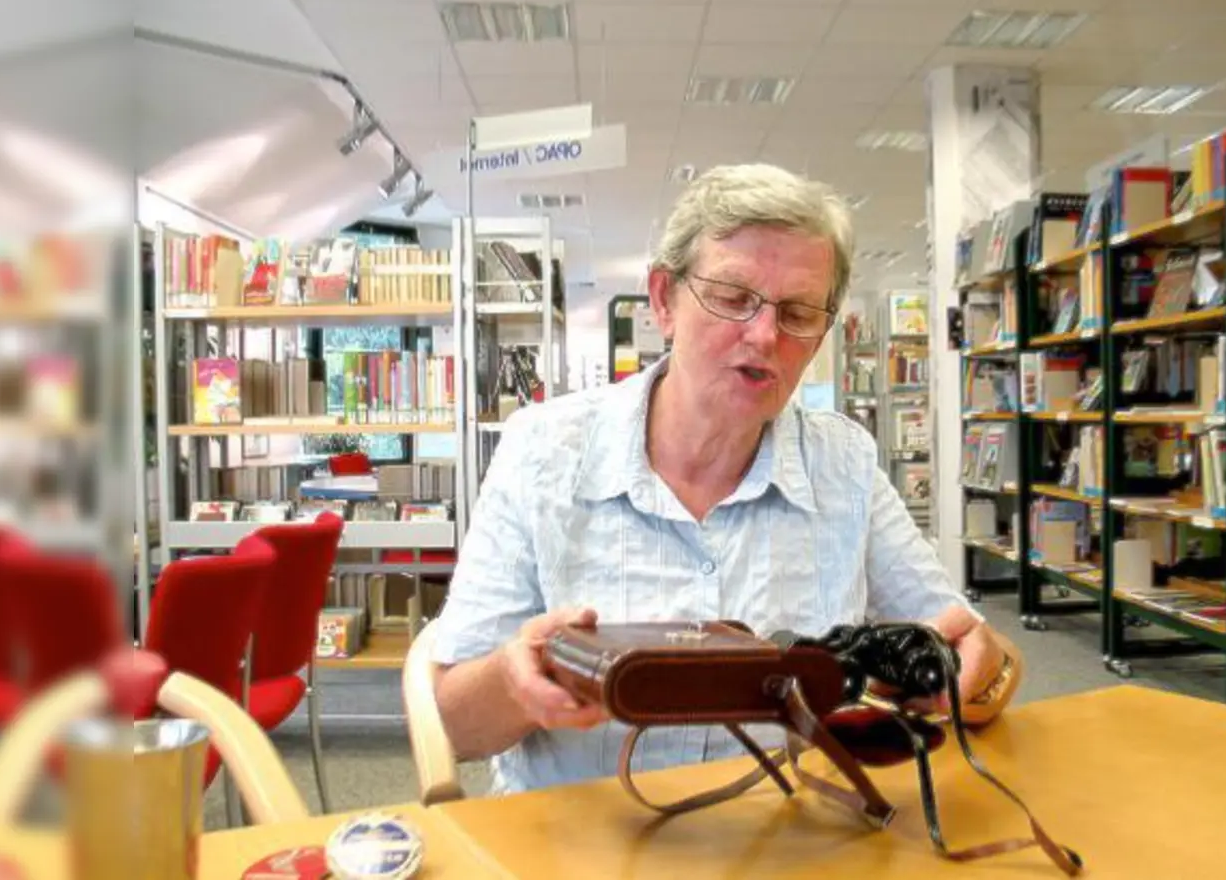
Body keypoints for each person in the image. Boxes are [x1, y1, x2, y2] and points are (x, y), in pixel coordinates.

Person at [431, 163, 1016, 794]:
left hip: (786, 840)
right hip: (579, 842)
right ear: (664, 301)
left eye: (797, 313)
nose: (764, 336)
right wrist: (517, 685)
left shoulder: (843, 464)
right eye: (733, 298)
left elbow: (981, 655)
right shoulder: (542, 451)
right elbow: (457, 731)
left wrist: (973, 673)